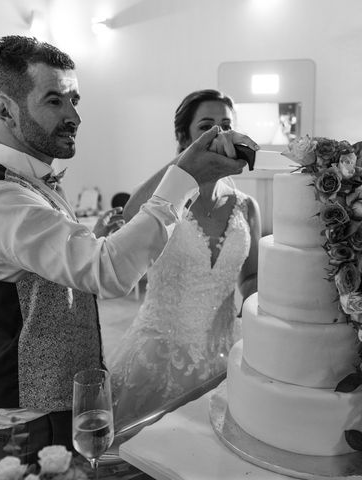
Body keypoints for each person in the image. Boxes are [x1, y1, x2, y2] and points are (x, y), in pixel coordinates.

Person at [0, 37, 257, 480]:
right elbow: (109, 273)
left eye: (75, 99)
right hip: (21, 422)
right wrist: (184, 179)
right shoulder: (0, 200)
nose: (75, 115)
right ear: (5, 111)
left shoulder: (34, 184)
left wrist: (94, 239)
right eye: (54, 100)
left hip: (63, 404)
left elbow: (58, 269)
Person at [106, 89, 261, 428]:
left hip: (224, 348)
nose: (218, 135)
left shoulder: (247, 206)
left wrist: (257, 316)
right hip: (159, 352)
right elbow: (132, 213)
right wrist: (187, 162)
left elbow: (251, 278)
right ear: (184, 137)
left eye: (225, 125)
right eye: (206, 126)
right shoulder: (166, 201)